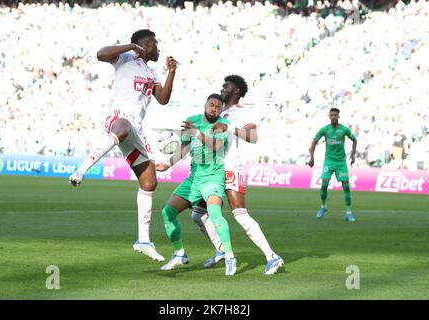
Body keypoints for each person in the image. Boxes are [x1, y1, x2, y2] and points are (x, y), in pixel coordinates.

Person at [68, 29, 178, 262]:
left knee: (149, 181)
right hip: (117, 116)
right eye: (154, 44)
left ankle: (143, 240)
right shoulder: (125, 58)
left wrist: (172, 73)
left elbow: (163, 99)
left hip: (135, 127)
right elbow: (101, 53)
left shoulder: (152, 72)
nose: (158, 49)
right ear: (145, 45)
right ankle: (81, 169)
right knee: (123, 127)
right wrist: (130, 46)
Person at [190, 75, 284, 276]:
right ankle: (222, 250)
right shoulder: (218, 111)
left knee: (240, 214)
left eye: (226, 86)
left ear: (236, 91)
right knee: (198, 215)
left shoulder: (242, 112)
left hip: (231, 169)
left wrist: (229, 127)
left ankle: (272, 256)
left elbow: (253, 137)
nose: (222, 88)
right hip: (211, 173)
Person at [156, 94, 237, 276]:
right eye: (211, 104)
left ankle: (230, 256)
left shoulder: (221, 124)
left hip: (213, 177)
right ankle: (179, 253)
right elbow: (184, 147)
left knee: (215, 213)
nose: (214, 108)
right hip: (194, 178)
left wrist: (196, 133)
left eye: (218, 106)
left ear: (221, 110)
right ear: (205, 104)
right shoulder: (191, 121)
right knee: (167, 212)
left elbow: (216, 146)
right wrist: (167, 164)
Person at [308, 107, 357, 222]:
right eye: (332, 115)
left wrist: (353, 155)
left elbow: (354, 139)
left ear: (338, 117)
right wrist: (312, 158)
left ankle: (349, 213)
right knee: (324, 184)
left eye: (336, 115)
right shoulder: (325, 130)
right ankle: (323, 206)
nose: (334, 117)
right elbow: (314, 142)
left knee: (346, 186)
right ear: (329, 116)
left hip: (341, 162)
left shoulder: (344, 130)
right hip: (329, 161)